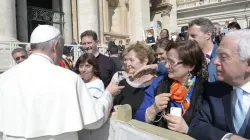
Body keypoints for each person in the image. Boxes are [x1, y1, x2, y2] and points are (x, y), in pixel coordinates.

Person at [0, 25, 123, 140]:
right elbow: (94, 120)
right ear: (55, 46)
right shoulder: (69, 78)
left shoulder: (4, 78)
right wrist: (108, 94)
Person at [188, 30, 250, 140]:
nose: (215, 61)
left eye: (224, 57)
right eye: (217, 56)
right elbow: (196, 125)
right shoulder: (214, 91)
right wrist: (228, 138)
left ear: (248, 64)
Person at [136, 40, 208, 134]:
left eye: (171, 62)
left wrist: (188, 130)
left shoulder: (205, 90)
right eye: (167, 61)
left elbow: (210, 129)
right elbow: (138, 118)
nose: (166, 66)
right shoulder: (159, 83)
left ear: (190, 66)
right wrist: (153, 109)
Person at [113, 42, 155, 118]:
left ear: (145, 61)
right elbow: (115, 104)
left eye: (131, 60)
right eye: (126, 60)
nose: (127, 64)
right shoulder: (123, 83)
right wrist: (115, 108)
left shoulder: (156, 84)